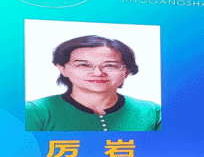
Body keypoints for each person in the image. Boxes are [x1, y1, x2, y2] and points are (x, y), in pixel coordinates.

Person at [25, 35, 161, 132]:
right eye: (83, 65)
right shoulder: (35, 112)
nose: (97, 73)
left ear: (127, 72)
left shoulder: (151, 112)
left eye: (110, 65)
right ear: (63, 69)